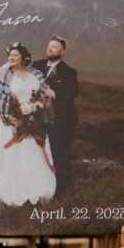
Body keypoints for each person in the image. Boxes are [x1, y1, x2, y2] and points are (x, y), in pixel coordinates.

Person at [0, 43, 55, 221]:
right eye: (9, 55)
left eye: (15, 56)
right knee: (16, 154)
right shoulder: (4, 75)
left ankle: (37, 191)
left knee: (34, 154)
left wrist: (43, 102)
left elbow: (43, 91)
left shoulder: (35, 74)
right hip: (13, 121)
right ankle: (14, 193)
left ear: (24, 58)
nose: (11, 58)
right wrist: (12, 117)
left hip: (35, 119)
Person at [33, 36, 79, 196]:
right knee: (41, 151)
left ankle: (63, 189)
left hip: (63, 119)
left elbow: (74, 91)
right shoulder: (36, 66)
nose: (49, 48)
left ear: (62, 52)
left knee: (61, 152)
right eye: (48, 45)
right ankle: (43, 186)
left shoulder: (69, 71)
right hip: (40, 119)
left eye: (54, 46)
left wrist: (55, 93)